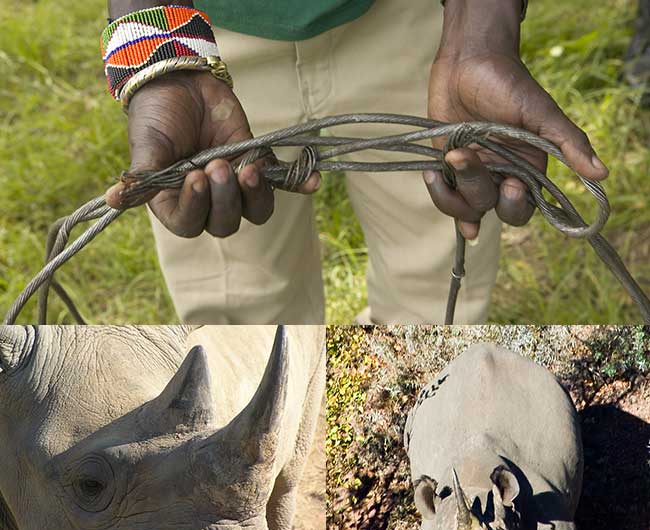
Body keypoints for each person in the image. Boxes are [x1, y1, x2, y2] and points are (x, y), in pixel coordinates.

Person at [105, 0, 609, 325]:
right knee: (237, 307)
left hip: (413, 22)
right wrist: (158, 58)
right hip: (204, 31)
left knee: (437, 284)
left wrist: (479, 31)